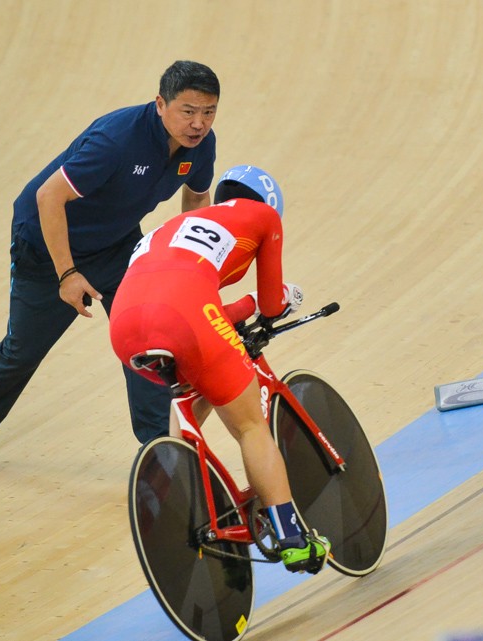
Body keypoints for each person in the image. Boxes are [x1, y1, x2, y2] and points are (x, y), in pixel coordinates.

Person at [0, 61, 220, 477]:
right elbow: (48, 198)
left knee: (149, 340)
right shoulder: (117, 140)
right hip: (47, 246)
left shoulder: (201, 145)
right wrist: (66, 274)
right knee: (22, 351)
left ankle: (159, 449)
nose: (198, 124)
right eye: (188, 111)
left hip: (116, 245)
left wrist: (189, 266)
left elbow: (197, 201)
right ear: (160, 104)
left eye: (208, 112)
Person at [108, 165, 331, 573]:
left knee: (194, 389)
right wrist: (284, 296)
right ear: (271, 206)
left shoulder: (173, 226)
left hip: (124, 330)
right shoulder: (263, 217)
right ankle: (292, 536)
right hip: (187, 319)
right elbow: (269, 306)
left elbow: (198, 308)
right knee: (249, 426)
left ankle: (182, 494)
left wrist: (238, 307)